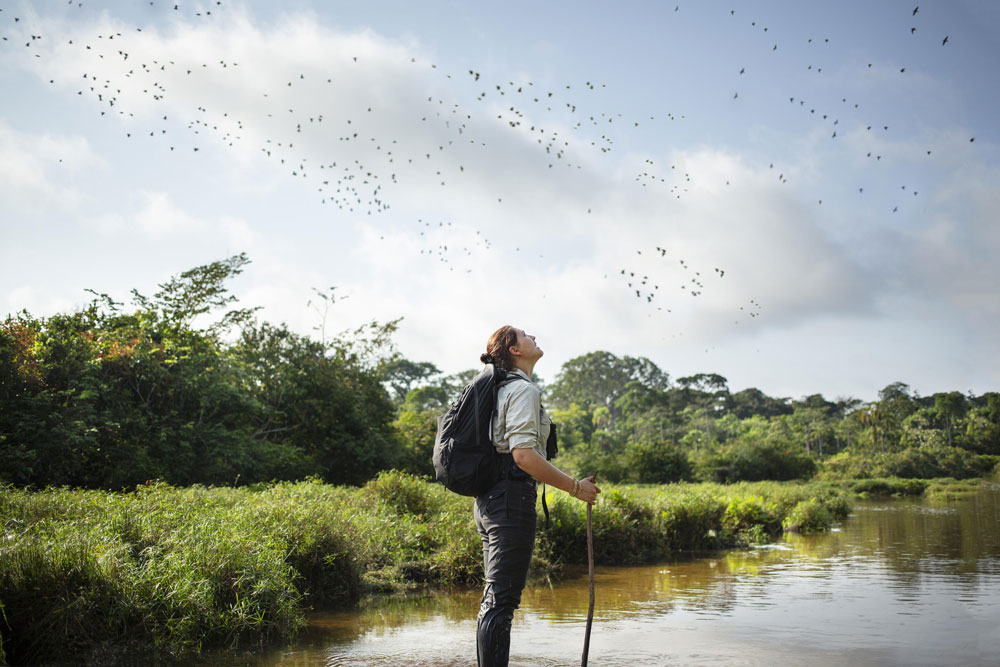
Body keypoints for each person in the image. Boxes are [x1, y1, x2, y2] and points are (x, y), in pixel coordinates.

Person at [475, 325, 601, 667]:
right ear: (514, 350)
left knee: (495, 598)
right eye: (525, 335)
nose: (534, 336)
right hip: (510, 502)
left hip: (489, 501)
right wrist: (576, 488)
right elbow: (524, 456)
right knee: (501, 601)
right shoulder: (522, 391)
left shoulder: (499, 390)